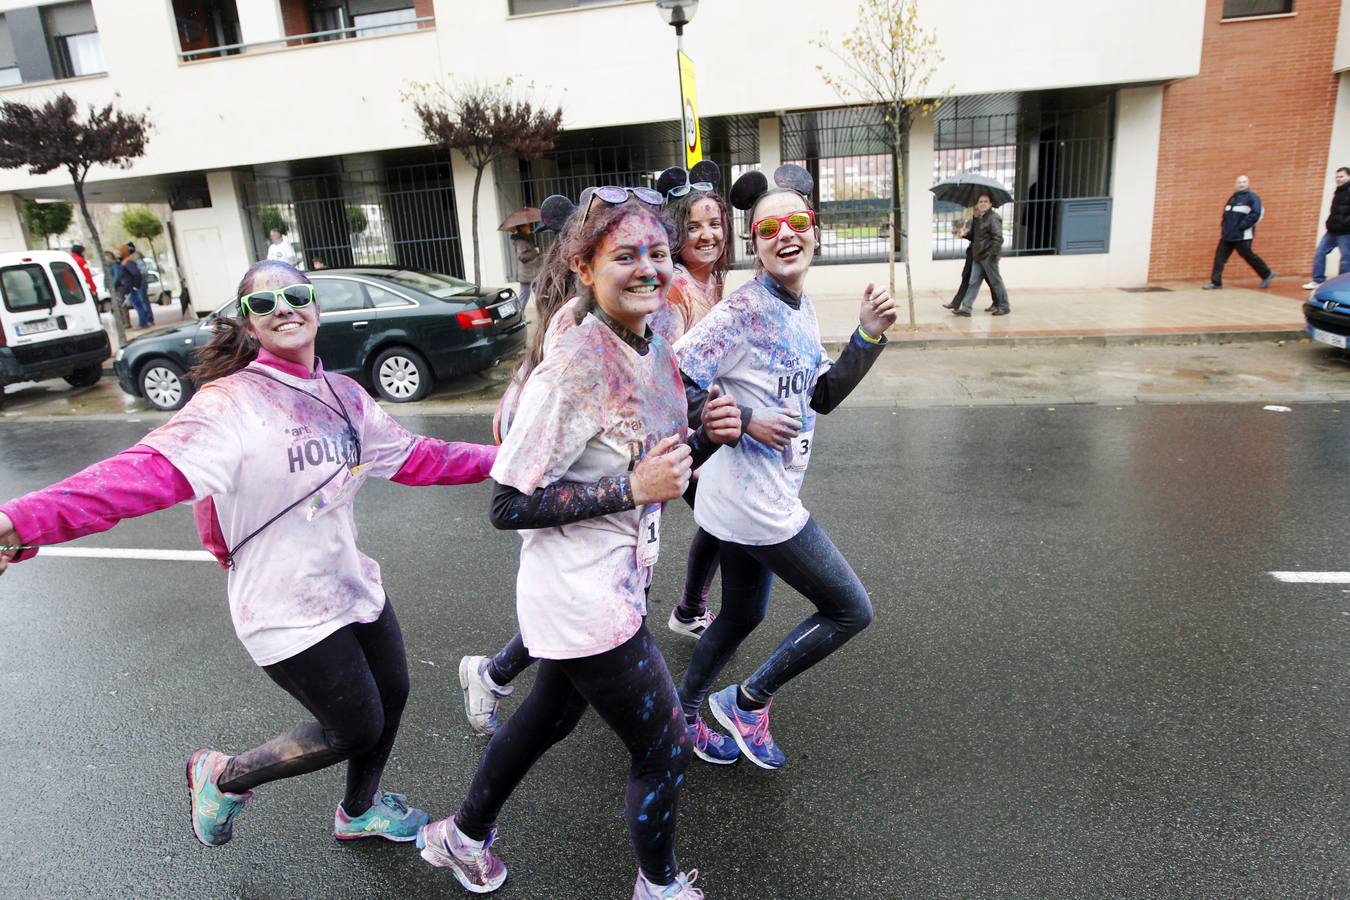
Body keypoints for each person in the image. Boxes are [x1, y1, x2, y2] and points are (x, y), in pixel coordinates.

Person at [0, 259, 498, 850]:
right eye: (263, 305)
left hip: (351, 585)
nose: (283, 307)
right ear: (248, 325)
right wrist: (17, 521)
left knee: (391, 699)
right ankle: (222, 776)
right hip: (282, 606)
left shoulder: (344, 395)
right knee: (354, 728)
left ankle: (358, 811)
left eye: (294, 294)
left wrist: (511, 460)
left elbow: (420, 456)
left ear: (315, 305)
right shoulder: (229, 405)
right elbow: (139, 476)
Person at [417, 193, 738, 899]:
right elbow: (506, 503)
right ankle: (658, 887)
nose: (648, 269)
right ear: (585, 266)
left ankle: (461, 837)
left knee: (550, 717)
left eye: (657, 253)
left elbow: (665, 471)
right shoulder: (574, 367)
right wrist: (628, 488)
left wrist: (708, 434)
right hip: (578, 596)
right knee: (663, 747)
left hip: (617, 582)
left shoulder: (650, 342)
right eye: (626, 256)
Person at [672, 164, 896, 771]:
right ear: (754, 244)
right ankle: (747, 701)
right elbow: (673, 381)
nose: (785, 234)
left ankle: (684, 715)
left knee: (745, 612)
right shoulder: (742, 311)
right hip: (757, 502)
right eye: (769, 227)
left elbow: (818, 394)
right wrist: (743, 419)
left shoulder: (800, 304)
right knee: (851, 609)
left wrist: (867, 338)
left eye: (797, 221)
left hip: (746, 495)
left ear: (815, 231)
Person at [652, 162, 733, 641]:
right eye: (693, 226)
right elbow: (668, 374)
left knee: (721, 522)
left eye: (714, 224)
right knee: (725, 521)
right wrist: (702, 439)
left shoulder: (713, 281)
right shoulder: (676, 287)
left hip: (704, 428)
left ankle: (688, 611)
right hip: (675, 434)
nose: (707, 235)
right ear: (674, 232)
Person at [1204, 175, 1275, 290]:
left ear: (1248, 184)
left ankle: (1267, 273)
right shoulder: (1233, 198)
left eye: (1244, 182)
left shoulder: (1253, 198)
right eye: (1239, 182)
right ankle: (1216, 282)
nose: (1241, 184)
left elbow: (1256, 215)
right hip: (1227, 235)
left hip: (1242, 236)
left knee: (1248, 256)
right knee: (1219, 258)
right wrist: (1224, 227)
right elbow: (1226, 215)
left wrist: (1242, 226)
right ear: (1235, 185)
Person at [953, 192, 1010, 316]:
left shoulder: (993, 218)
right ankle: (966, 308)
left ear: (990, 204)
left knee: (996, 282)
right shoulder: (980, 218)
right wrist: (966, 234)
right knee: (973, 282)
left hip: (988, 257)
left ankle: (1004, 306)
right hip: (978, 256)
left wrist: (992, 256)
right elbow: (976, 237)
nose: (983, 204)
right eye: (980, 202)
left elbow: (998, 238)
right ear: (977, 205)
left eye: (985, 201)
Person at [1303, 166, 1350, 289]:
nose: (1338, 179)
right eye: (1337, 177)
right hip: (1332, 231)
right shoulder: (1338, 191)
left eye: (1341, 176)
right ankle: (1317, 280)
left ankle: (1342, 285)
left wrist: (1344, 222)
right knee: (1320, 252)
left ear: (1348, 176)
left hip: (1345, 232)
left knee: (1346, 259)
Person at [941, 213, 997, 313]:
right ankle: (956, 303)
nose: (975, 210)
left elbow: (982, 238)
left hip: (984, 254)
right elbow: (975, 237)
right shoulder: (976, 220)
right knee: (966, 276)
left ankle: (998, 302)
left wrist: (967, 235)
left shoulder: (988, 220)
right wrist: (966, 234)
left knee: (990, 279)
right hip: (973, 253)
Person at [117, 243, 153, 328]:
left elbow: (137, 273)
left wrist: (135, 285)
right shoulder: (124, 262)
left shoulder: (128, 262)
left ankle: (143, 322)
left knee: (138, 305)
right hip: (129, 286)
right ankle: (143, 322)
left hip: (131, 287)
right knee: (137, 305)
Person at [509, 225, 543, 306]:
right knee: (525, 298)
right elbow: (522, 257)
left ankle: (545, 314)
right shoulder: (521, 242)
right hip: (527, 275)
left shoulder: (526, 239)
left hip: (532, 273)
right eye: (526, 226)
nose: (529, 227)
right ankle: (520, 316)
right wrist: (535, 252)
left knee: (539, 295)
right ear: (521, 228)